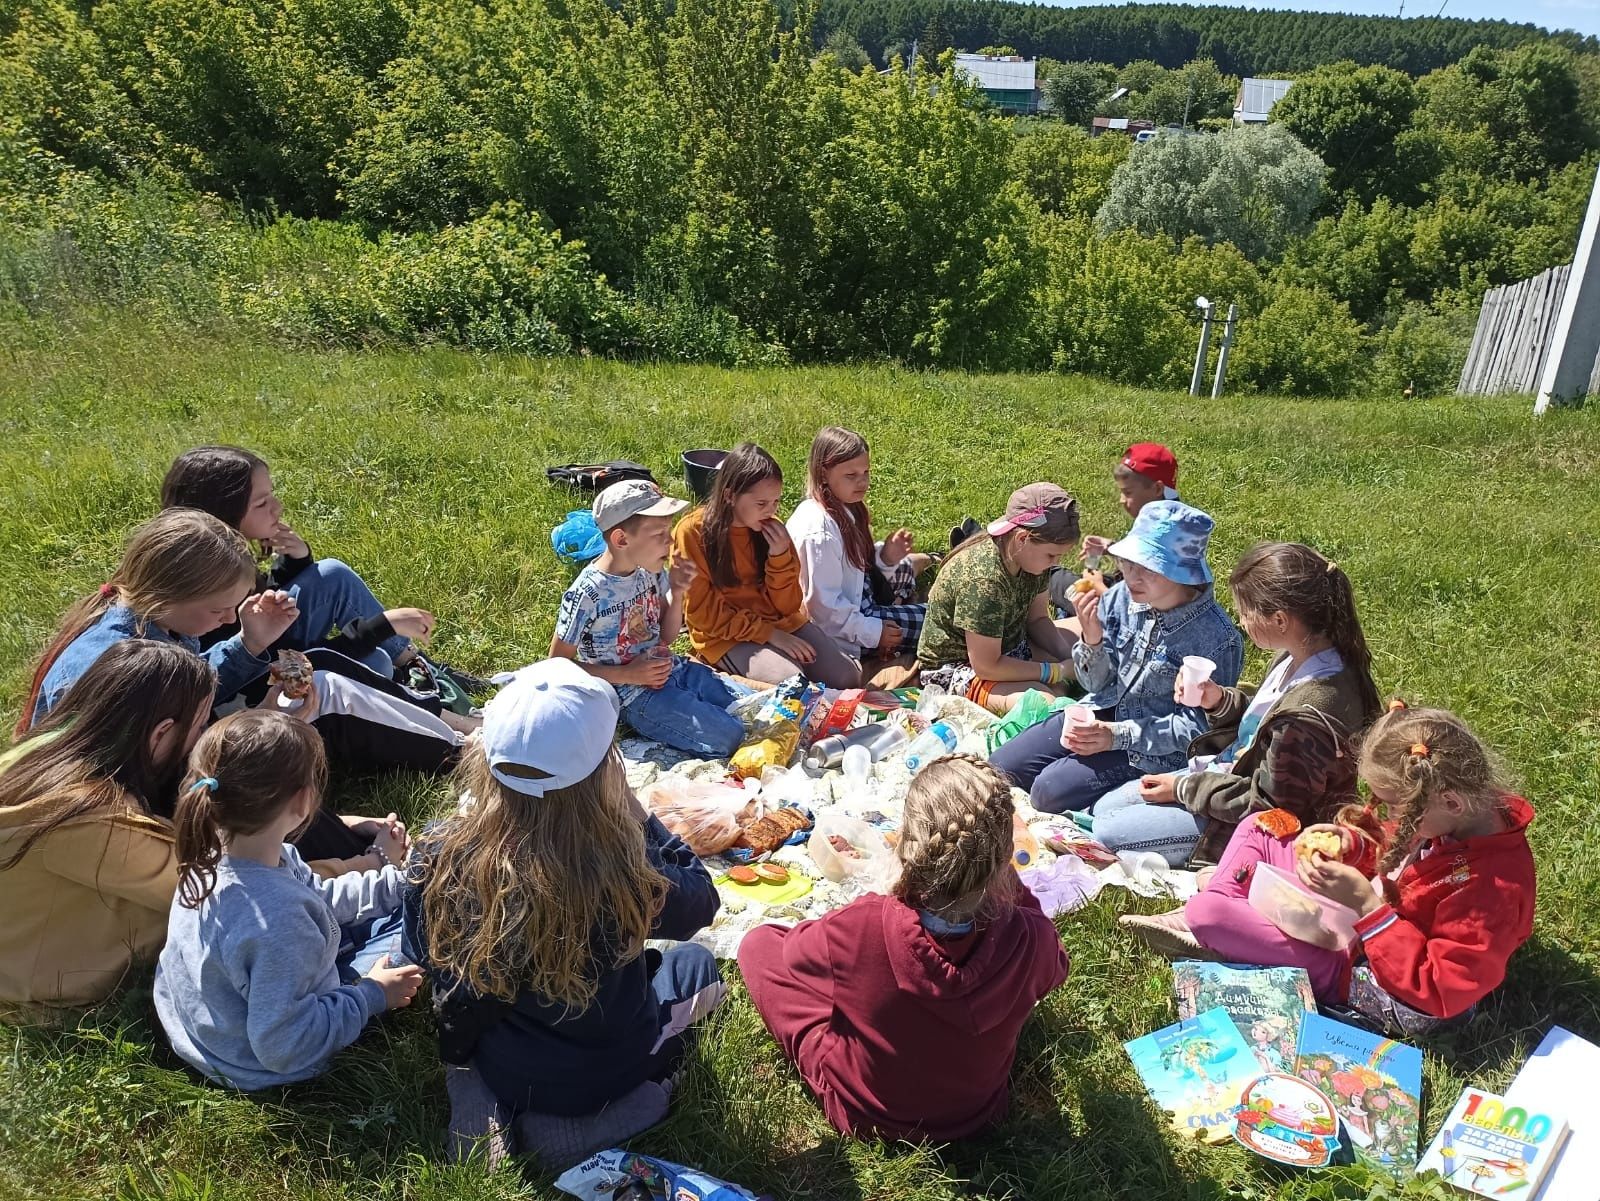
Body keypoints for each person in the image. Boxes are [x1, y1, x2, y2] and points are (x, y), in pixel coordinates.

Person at [402, 658, 725, 1161]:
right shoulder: (623, 876)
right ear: (603, 776)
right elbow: (701, 901)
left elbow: (421, 951)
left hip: (500, 1053)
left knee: (488, 1015)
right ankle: (622, 1109)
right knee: (697, 965)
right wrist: (639, 815)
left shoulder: (439, 855)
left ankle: (476, 1091)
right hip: (603, 1067)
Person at [19, 509, 465, 853]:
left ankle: (463, 743)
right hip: (140, 813)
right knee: (260, 765)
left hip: (164, 774)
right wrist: (253, 726)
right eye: (219, 612)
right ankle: (363, 857)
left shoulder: (153, 625)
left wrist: (250, 643)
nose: (228, 619)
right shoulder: (108, 667)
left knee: (319, 673)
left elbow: (192, 688)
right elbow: (142, 784)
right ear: (167, 595)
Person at [1124, 703, 1536, 1038]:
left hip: (1370, 976)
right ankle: (1232, 916)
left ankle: (1221, 920)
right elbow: (1393, 839)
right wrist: (1351, 845)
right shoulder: (1451, 814)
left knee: (1205, 914)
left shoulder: (1491, 892)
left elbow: (1440, 989)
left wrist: (1365, 904)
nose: (1388, 814)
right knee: (1260, 826)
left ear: (1450, 802)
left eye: (1392, 805)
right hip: (1357, 918)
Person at [739, 755, 1068, 1141]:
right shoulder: (1032, 939)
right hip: (975, 1112)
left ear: (909, 847)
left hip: (865, 1111)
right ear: (1003, 858)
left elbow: (793, 956)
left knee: (758, 944)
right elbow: (1054, 969)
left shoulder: (864, 924)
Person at [154, 710, 421, 1089]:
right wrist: (372, 994)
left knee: (405, 897)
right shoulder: (279, 921)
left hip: (217, 1024)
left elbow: (319, 897)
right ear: (303, 801)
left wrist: (395, 882)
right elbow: (284, 1047)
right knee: (419, 917)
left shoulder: (209, 855)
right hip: (260, 1060)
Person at [1090, 542, 1382, 866]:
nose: (1241, 621)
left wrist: (1185, 788)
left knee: (1105, 832)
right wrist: (1217, 700)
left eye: (1246, 611)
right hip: (1223, 778)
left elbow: (1271, 807)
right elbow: (1263, 722)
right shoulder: (1299, 655)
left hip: (1241, 823)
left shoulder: (1308, 716)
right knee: (1103, 808)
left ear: (1281, 619)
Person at [990, 500, 1242, 814]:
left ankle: (1119, 802)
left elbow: (1199, 731)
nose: (1131, 576)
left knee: (1047, 792)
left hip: (1152, 748)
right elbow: (1095, 682)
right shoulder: (1123, 597)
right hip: (1104, 710)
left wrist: (1116, 737)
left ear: (1182, 576)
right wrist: (1091, 639)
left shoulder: (1217, 639)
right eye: (1127, 562)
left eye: (1147, 568)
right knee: (1001, 767)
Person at [0, 641, 214, 1008]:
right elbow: (207, 890)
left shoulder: (43, 753)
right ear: (161, 734)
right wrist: (340, 870)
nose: (203, 737)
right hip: (42, 996)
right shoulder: (92, 818)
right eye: (199, 728)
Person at [161, 446, 432, 679]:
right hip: (257, 679)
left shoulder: (218, 563)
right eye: (261, 503)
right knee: (374, 663)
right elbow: (280, 652)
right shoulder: (210, 592)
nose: (277, 507)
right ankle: (422, 683)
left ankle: (414, 664)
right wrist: (379, 627)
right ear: (223, 513)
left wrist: (297, 561)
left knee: (331, 574)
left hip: (265, 648)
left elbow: (263, 597)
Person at [551, 479, 744, 759]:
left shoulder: (648, 572)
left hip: (672, 669)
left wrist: (676, 594)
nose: (669, 541)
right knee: (729, 737)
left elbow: (664, 636)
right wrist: (628, 674)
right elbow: (557, 666)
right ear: (621, 539)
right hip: (634, 696)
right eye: (659, 534)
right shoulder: (588, 594)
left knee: (751, 707)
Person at [673, 443, 859, 689]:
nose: (771, 511)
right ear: (729, 496)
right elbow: (703, 614)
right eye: (761, 504)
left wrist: (780, 557)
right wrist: (770, 635)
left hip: (779, 623)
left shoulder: (771, 531)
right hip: (725, 635)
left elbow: (789, 605)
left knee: (846, 677)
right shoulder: (693, 532)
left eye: (776, 502)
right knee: (793, 683)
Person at [916, 484, 1081, 714]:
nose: (1055, 563)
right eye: (1052, 555)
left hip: (1008, 646)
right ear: (1022, 538)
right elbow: (986, 665)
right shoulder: (985, 580)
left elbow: (1037, 619)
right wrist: (1056, 671)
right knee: (1043, 704)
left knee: (1091, 637)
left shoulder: (1028, 560)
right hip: (960, 669)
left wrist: (1071, 657)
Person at [787, 427, 929, 666]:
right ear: (824, 473)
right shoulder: (820, 533)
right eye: (851, 476)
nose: (862, 482)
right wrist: (876, 633)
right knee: (936, 618)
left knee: (904, 568)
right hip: (846, 627)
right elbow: (825, 610)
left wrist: (885, 557)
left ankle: (934, 560)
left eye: (866, 472)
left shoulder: (846, 506)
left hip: (860, 599)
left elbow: (858, 572)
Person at [1049, 442, 1180, 614]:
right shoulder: (1167, 519)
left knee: (1054, 578)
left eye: (1128, 493)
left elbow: (1139, 614)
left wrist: (1098, 587)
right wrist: (1110, 547)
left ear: (1157, 488)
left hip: (1128, 614)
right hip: (1122, 589)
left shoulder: (1165, 536)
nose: (1121, 500)